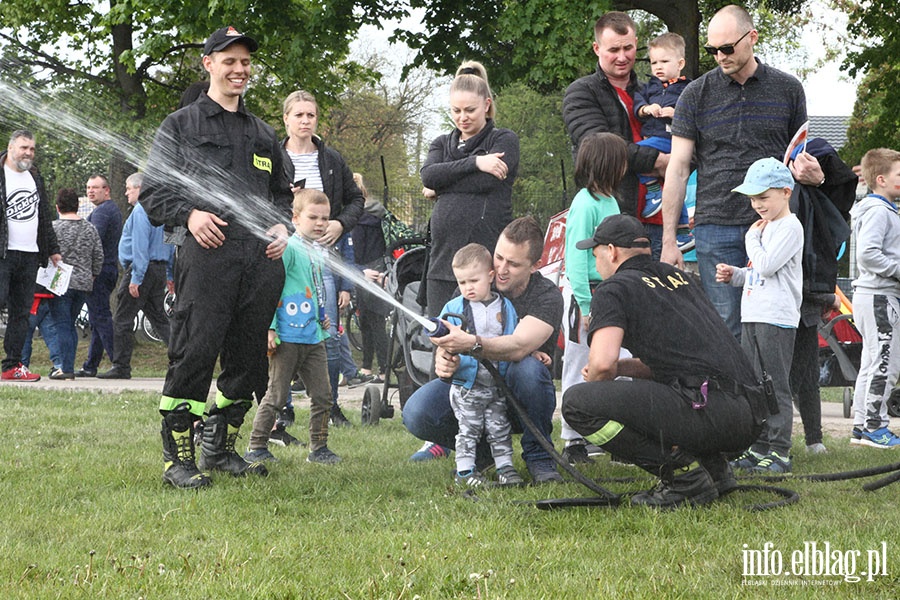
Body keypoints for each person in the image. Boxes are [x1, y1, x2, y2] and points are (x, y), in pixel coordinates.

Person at [141, 26, 294, 489]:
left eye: (245, 62)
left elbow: (284, 198)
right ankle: (178, 460)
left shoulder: (264, 134)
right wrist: (188, 215)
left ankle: (221, 449)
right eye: (229, 60)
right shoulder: (181, 125)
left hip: (260, 263)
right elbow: (151, 195)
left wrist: (283, 226)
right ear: (208, 64)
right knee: (195, 354)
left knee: (248, 361)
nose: (239, 69)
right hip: (207, 261)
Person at [562, 214, 766, 509]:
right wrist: (622, 369)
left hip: (707, 409)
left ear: (612, 251)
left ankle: (684, 478)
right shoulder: (681, 279)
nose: (596, 265)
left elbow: (602, 365)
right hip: (747, 415)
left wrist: (598, 385)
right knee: (669, 391)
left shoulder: (614, 289)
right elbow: (675, 362)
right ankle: (713, 468)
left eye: (595, 256)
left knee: (578, 404)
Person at [658, 5, 822, 338]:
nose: (719, 56)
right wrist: (669, 240)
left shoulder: (788, 89)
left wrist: (812, 173)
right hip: (715, 224)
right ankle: (730, 393)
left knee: (773, 326)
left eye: (727, 48)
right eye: (711, 50)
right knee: (726, 328)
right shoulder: (695, 94)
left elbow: (796, 156)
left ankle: (770, 392)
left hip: (774, 226)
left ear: (752, 38)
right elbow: (677, 168)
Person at [403, 217, 565, 484]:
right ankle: (482, 454)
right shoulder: (471, 287)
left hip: (518, 394)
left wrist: (470, 343)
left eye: (513, 264)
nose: (501, 269)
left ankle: (539, 456)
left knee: (528, 367)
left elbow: (518, 346)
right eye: (499, 257)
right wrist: (444, 358)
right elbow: (447, 336)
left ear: (535, 266)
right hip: (471, 387)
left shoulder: (546, 296)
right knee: (417, 412)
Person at [715, 158, 803, 473]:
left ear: (785, 192)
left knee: (774, 384)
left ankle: (779, 451)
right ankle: (759, 445)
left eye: (763, 197)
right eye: (753, 199)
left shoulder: (790, 227)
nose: (757, 205)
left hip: (775, 318)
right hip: (754, 315)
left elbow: (767, 265)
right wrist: (735, 275)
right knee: (755, 385)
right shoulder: (766, 228)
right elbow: (758, 273)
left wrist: (750, 239)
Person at [244, 189, 341, 465]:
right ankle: (257, 446)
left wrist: (323, 317)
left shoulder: (318, 252)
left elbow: (314, 289)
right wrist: (270, 328)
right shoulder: (289, 248)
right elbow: (271, 288)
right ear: (295, 218)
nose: (320, 223)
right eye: (313, 217)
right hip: (286, 337)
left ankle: (318, 448)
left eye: (325, 218)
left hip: (313, 338)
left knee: (323, 395)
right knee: (275, 395)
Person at [562, 12, 668, 250]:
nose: (622, 57)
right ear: (596, 48)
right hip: (614, 220)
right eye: (613, 50)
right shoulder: (580, 93)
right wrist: (662, 161)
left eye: (628, 48)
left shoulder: (652, 91)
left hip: (664, 218)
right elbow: (601, 149)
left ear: (637, 44)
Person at [421, 61, 519, 317]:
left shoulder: (503, 139)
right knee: (442, 340)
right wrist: (476, 162)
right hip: (442, 265)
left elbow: (489, 181)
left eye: (470, 110)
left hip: (484, 262)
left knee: (485, 338)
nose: (462, 118)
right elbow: (429, 176)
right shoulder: (441, 143)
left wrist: (444, 186)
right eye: (456, 110)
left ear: (486, 105)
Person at [787, 138, 857, 455]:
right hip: (806, 293)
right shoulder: (812, 200)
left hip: (804, 296)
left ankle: (803, 438)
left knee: (798, 371)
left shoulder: (804, 198)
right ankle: (811, 439)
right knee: (804, 371)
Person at [559, 132, 625, 464]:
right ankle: (573, 441)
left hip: (609, 295)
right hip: (585, 297)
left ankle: (610, 433)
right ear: (608, 164)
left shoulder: (610, 202)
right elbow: (575, 260)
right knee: (578, 361)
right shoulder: (584, 204)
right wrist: (585, 305)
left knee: (614, 361)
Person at [441, 243, 523, 487]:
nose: (467, 288)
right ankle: (464, 470)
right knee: (469, 427)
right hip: (467, 384)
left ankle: (505, 467)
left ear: (490, 276)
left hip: (497, 384)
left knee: (500, 426)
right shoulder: (455, 308)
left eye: (473, 281)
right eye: (462, 282)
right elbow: (439, 334)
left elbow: (514, 339)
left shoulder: (505, 307)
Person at [98, 172, 174, 379]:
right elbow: (171, 244)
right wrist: (170, 274)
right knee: (160, 320)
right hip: (158, 270)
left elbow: (140, 246)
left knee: (122, 319)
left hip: (142, 270)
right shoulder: (162, 213)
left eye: (128, 188)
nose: (125, 192)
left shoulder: (141, 211)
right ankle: (180, 359)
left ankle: (121, 366)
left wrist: (136, 278)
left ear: (139, 189)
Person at [847, 148, 900, 449]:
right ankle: (875, 427)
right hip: (880, 297)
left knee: (871, 361)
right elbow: (869, 254)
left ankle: (860, 425)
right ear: (880, 180)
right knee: (885, 363)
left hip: (872, 295)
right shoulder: (879, 211)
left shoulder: (880, 210)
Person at [0, 129, 62, 382]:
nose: (28, 153)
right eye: (24, 147)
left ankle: (12, 366)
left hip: (29, 255)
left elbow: (44, 216)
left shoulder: (35, 176)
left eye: (32, 149)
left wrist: (53, 249)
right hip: (3, 254)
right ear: (11, 147)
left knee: (21, 314)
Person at [632, 32, 692, 243]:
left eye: (664, 61)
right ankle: (684, 232)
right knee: (673, 185)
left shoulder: (688, 89)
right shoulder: (650, 87)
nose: (658, 67)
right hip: (655, 136)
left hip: (670, 140)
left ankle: (651, 188)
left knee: (635, 152)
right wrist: (648, 109)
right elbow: (637, 105)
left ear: (680, 63)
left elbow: (695, 116)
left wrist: (676, 113)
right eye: (653, 62)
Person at [48, 188, 104, 379]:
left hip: (59, 282)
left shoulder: (53, 228)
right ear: (78, 206)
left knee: (62, 325)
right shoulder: (90, 228)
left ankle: (66, 367)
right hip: (83, 282)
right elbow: (98, 255)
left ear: (57, 207)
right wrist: (93, 274)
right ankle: (68, 365)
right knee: (70, 323)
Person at [75, 174, 122, 377]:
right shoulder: (108, 210)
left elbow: (93, 241)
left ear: (107, 190)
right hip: (107, 269)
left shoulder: (103, 212)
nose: (90, 191)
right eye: (88, 188)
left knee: (101, 317)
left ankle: (118, 363)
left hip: (100, 271)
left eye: (95, 187)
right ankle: (90, 365)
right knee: (97, 317)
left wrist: (90, 270)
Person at [351, 172, 390, 381]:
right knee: (373, 321)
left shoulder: (358, 220)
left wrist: (358, 270)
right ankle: (374, 369)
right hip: (380, 270)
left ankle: (378, 370)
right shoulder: (377, 213)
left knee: (370, 322)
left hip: (367, 273)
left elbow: (357, 250)